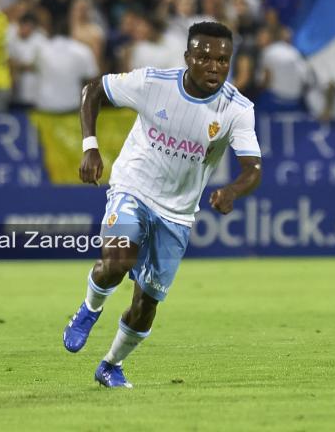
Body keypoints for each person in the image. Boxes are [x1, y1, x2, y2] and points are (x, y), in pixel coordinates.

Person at [62, 21, 262, 388]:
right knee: (117, 260)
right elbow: (93, 90)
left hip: (178, 214)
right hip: (133, 187)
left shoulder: (237, 109)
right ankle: (89, 309)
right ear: (188, 58)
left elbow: (253, 168)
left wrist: (232, 190)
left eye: (223, 59)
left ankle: (110, 365)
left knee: (147, 304)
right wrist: (90, 147)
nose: (214, 66)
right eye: (204, 58)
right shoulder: (154, 83)